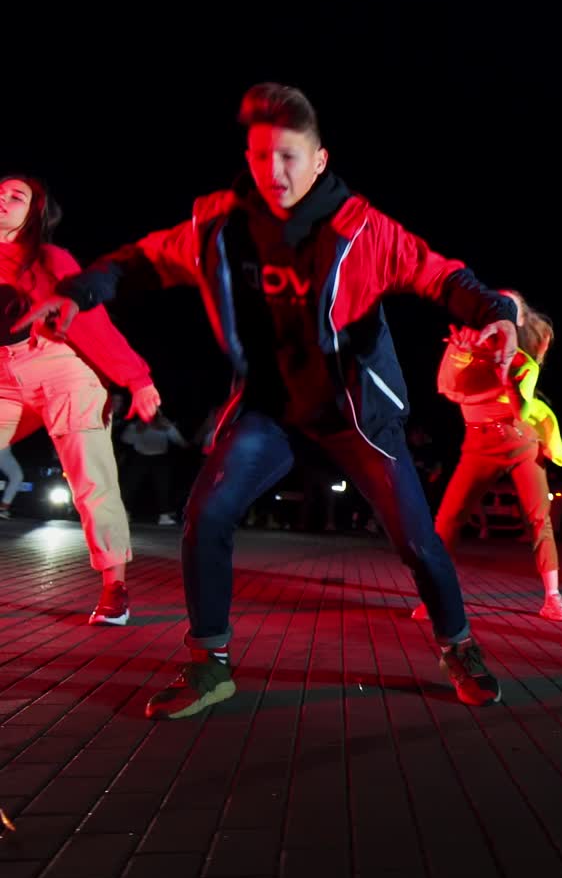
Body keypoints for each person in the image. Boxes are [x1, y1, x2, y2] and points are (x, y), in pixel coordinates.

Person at [22, 84, 518, 716]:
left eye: (289, 157)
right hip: (271, 411)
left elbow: (439, 273)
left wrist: (496, 313)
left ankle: (458, 647)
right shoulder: (221, 224)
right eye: (261, 158)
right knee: (206, 514)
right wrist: (81, 291)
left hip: (353, 413)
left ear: (319, 160)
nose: (274, 173)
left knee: (418, 541)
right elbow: (139, 260)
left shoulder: (363, 229)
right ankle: (210, 666)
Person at [1, 174, 161, 623]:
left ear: (34, 212)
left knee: (90, 481)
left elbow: (90, 321)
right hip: (6, 375)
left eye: (17, 196)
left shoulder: (47, 257)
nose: (4, 200)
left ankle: (115, 587)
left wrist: (137, 378)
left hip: (65, 368)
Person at [431, 293, 562, 620]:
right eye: (495, 307)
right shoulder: (465, 344)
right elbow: (450, 388)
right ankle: (436, 596)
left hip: (520, 441)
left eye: (509, 310)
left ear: (518, 322)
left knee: (540, 519)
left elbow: (521, 408)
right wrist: (463, 355)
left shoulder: (523, 361)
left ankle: (553, 597)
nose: (499, 314)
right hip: (479, 444)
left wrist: (507, 376)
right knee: (448, 518)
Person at [119, 412, 187, 525]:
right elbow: (126, 440)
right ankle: (124, 513)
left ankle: (164, 516)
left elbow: (180, 441)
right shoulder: (136, 425)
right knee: (130, 485)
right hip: (140, 457)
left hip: (160, 459)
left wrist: (169, 427)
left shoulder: (165, 425)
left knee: (163, 487)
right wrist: (137, 429)